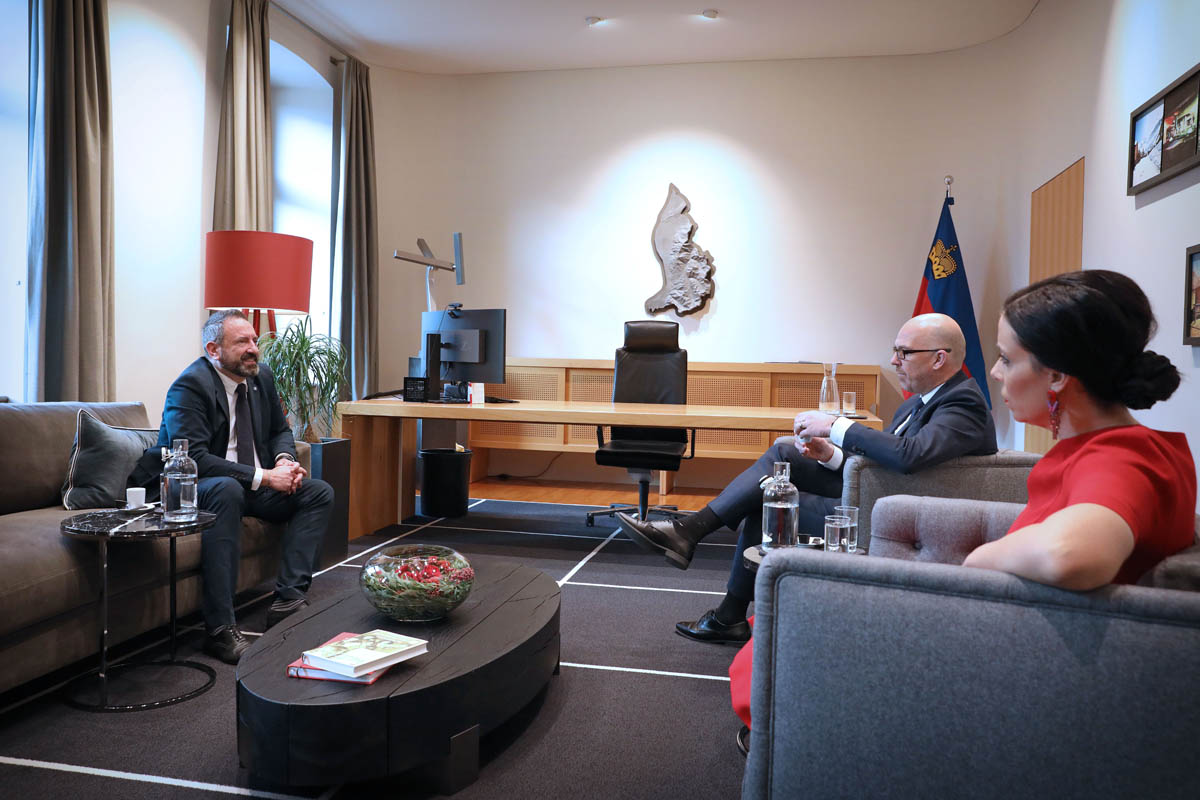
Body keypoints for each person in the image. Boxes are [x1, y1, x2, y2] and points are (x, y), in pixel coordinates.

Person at [617, 312, 998, 644]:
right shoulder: (921, 401)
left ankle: (720, 599)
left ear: (939, 359)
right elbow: (890, 466)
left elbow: (910, 457)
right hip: (887, 496)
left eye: (903, 352)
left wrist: (835, 425)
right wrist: (830, 455)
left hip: (897, 516)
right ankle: (693, 542)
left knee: (771, 500)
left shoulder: (962, 404)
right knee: (783, 457)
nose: (894, 360)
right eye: (894, 350)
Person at [962, 270, 1195, 588]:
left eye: (1006, 359)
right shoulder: (1111, 446)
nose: (995, 371)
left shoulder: (1121, 459)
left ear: (1056, 377)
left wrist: (977, 560)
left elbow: (1068, 554)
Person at [131, 310, 334, 664]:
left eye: (254, 340)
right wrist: (266, 477)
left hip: (246, 483)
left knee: (317, 492)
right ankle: (220, 630)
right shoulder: (190, 386)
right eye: (242, 342)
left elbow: (278, 431)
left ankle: (287, 599)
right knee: (227, 489)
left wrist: (284, 460)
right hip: (190, 486)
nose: (254, 348)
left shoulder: (261, 378)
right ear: (213, 349)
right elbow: (191, 456)